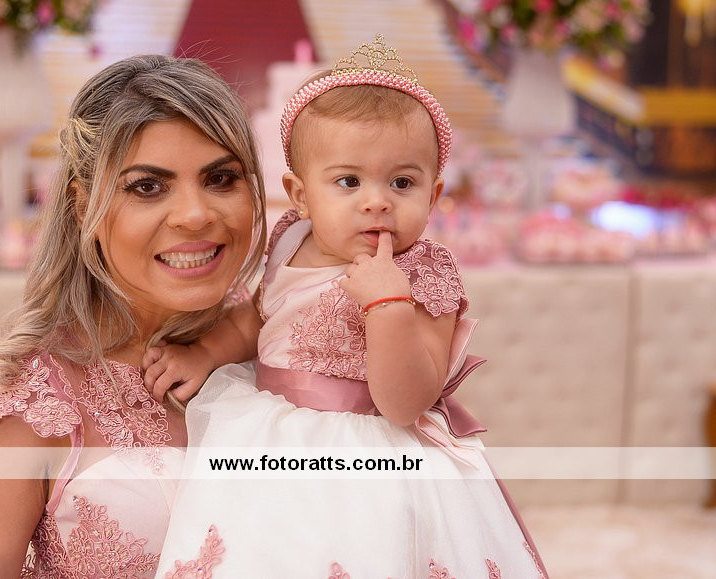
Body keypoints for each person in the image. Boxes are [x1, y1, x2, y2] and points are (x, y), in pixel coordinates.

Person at [145, 36, 548, 578]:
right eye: (348, 181)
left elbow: (407, 403)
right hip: (268, 431)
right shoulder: (291, 239)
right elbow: (257, 319)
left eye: (402, 182)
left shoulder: (423, 272)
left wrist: (388, 305)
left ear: (433, 195)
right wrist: (205, 354)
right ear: (301, 194)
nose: (376, 201)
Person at [0, 54, 267, 578]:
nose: (196, 214)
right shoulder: (27, 395)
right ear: (82, 204)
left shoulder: (279, 336)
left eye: (221, 178)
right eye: (147, 186)